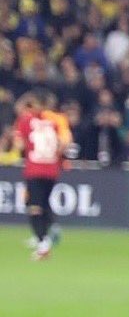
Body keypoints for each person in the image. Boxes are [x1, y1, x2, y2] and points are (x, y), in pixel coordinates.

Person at [12, 91, 74, 260]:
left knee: (34, 206)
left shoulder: (26, 120)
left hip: (34, 169)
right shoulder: (56, 121)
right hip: (52, 170)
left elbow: (19, 145)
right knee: (43, 203)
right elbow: (65, 142)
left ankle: (42, 243)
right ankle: (47, 232)